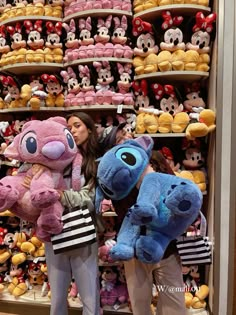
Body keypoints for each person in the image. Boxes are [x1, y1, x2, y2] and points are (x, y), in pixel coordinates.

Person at [99, 123, 187, 315]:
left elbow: (176, 189)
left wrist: (151, 176)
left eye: (127, 132)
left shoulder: (154, 157)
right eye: (120, 138)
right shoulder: (114, 178)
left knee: (175, 305)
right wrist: (138, 182)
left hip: (166, 247)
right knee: (140, 304)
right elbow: (124, 210)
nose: (128, 137)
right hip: (135, 249)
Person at [24, 112, 101, 315]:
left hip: (83, 230)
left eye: (77, 126)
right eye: (69, 127)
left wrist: (60, 195)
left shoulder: (94, 162)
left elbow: (90, 199)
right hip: (54, 231)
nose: (73, 131)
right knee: (57, 294)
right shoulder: (52, 160)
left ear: (90, 129)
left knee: (89, 295)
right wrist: (32, 176)